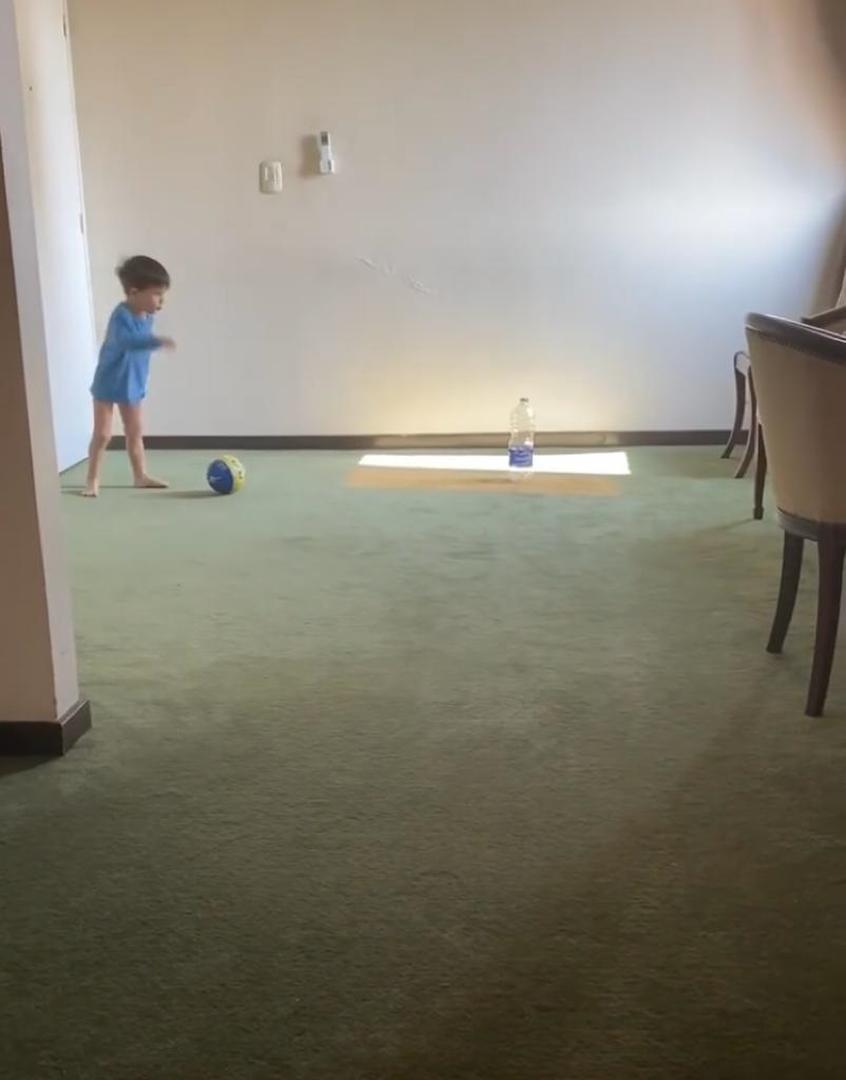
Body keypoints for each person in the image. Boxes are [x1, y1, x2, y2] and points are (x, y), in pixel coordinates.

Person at [82, 255, 176, 497]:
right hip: (108, 382)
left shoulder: (148, 317)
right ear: (134, 292)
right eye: (156, 294)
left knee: (134, 431)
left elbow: (140, 350)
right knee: (102, 434)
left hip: (132, 384)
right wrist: (155, 341)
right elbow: (125, 341)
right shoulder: (121, 315)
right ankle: (92, 479)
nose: (161, 301)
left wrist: (152, 343)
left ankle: (140, 475)